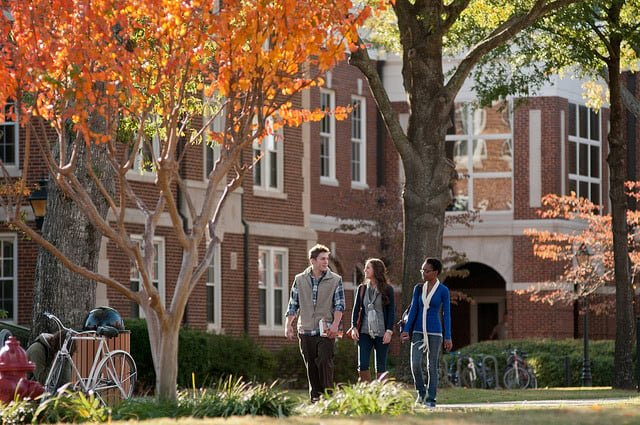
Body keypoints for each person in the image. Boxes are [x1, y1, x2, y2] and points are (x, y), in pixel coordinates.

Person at [285, 244, 345, 402]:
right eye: (322, 259)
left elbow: (339, 305)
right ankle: (315, 400)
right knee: (311, 366)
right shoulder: (299, 279)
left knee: (325, 362)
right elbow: (293, 304)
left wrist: (335, 325)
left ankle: (328, 398)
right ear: (313, 261)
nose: (326, 262)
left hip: (326, 331)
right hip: (305, 331)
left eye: (327, 259)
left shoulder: (335, 280)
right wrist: (288, 325)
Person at [401, 257, 452, 408]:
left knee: (432, 366)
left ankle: (431, 398)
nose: (423, 273)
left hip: (435, 332)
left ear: (435, 272)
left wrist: (448, 336)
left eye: (426, 270)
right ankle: (421, 391)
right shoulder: (418, 288)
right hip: (417, 330)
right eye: (422, 269)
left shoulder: (443, 290)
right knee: (415, 363)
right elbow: (414, 310)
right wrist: (405, 329)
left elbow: (446, 314)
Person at [347, 258, 395, 381]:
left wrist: (389, 331)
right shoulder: (362, 289)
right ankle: (366, 393)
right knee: (362, 364)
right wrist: (353, 327)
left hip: (382, 332)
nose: (365, 270)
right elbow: (356, 309)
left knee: (381, 365)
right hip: (364, 332)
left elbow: (391, 312)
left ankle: (382, 395)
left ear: (376, 270)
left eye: (368, 267)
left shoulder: (388, 289)